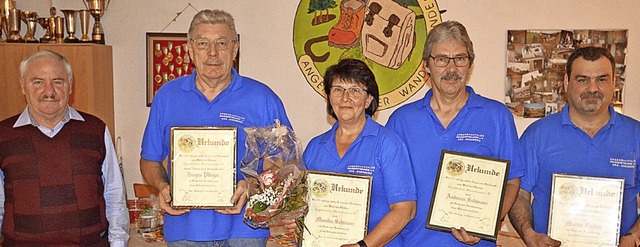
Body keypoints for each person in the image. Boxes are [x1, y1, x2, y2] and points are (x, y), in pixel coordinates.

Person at [139, 9, 292, 246]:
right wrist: (162, 186)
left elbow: (284, 163)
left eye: (221, 43)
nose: (212, 53)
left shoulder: (263, 98)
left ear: (235, 48)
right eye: (203, 43)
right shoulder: (167, 97)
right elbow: (149, 160)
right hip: (184, 229)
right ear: (190, 49)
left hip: (245, 229)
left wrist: (251, 186)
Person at [386, 20, 524, 246]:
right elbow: (389, 193)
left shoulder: (497, 116)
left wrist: (487, 223)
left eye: (460, 58)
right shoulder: (401, 121)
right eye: (441, 59)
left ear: (470, 64)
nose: (451, 69)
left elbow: (512, 181)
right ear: (426, 66)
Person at [508, 47, 640, 247]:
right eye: (582, 79)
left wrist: (633, 238)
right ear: (566, 83)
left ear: (614, 83)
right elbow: (519, 194)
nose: (593, 88)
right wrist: (528, 233)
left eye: (602, 79)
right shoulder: (537, 135)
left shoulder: (636, 134)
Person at [0, 50, 129, 246]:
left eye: (58, 82)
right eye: (38, 82)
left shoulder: (96, 130)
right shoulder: (3, 136)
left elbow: (114, 197)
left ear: (70, 86)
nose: (49, 91)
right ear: (22, 86)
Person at [300, 59, 417, 246]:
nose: (345, 98)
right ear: (329, 97)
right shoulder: (315, 147)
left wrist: (363, 246)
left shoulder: (388, 143)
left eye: (355, 90)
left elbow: (405, 210)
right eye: (338, 89)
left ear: (368, 99)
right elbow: (301, 205)